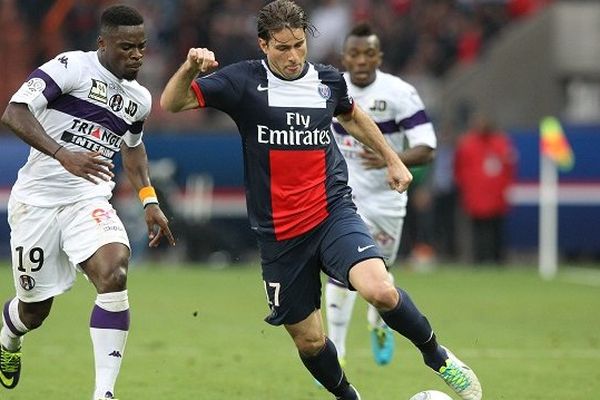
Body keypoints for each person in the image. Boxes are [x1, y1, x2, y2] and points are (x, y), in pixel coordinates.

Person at [160, 1, 481, 399]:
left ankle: (440, 359)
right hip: (279, 234)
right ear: (263, 44)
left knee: (379, 290)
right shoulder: (241, 82)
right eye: (282, 47)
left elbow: (351, 115)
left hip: (332, 212)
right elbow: (172, 103)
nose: (293, 56)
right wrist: (190, 68)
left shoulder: (327, 80)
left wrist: (393, 160)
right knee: (310, 342)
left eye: (298, 45)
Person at [0, 5, 176, 400]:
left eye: (142, 48)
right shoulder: (71, 68)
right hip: (37, 204)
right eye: (126, 47)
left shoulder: (140, 98)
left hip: (88, 200)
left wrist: (149, 200)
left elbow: (133, 149)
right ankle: (9, 338)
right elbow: (13, 113)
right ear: (103, 43)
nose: (136, 55)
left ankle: (104, 393)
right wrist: (63, 154)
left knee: (114, 272)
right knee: (34, 311)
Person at [326, 23, 437, 367]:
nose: (361, 60)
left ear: (379, 57)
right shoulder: (328, 88)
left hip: (388, 196)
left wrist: (392, 157)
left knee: (379, 274)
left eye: (368, 53)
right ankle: (337, 351)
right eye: (354, 54)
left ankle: (378, 322)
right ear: (344, 58)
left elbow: (427, 147)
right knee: (340, 270)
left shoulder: (400, 92)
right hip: (341, 195)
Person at [454, 112, 516, 264]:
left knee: (497, 229)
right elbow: (459, 170)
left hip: (496, 196)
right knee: (478, 229)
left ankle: (497, 258)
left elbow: (509, 169)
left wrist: (507, 189)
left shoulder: (501, 143)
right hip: (476, 196)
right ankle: (479, 258)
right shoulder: (467, 145)